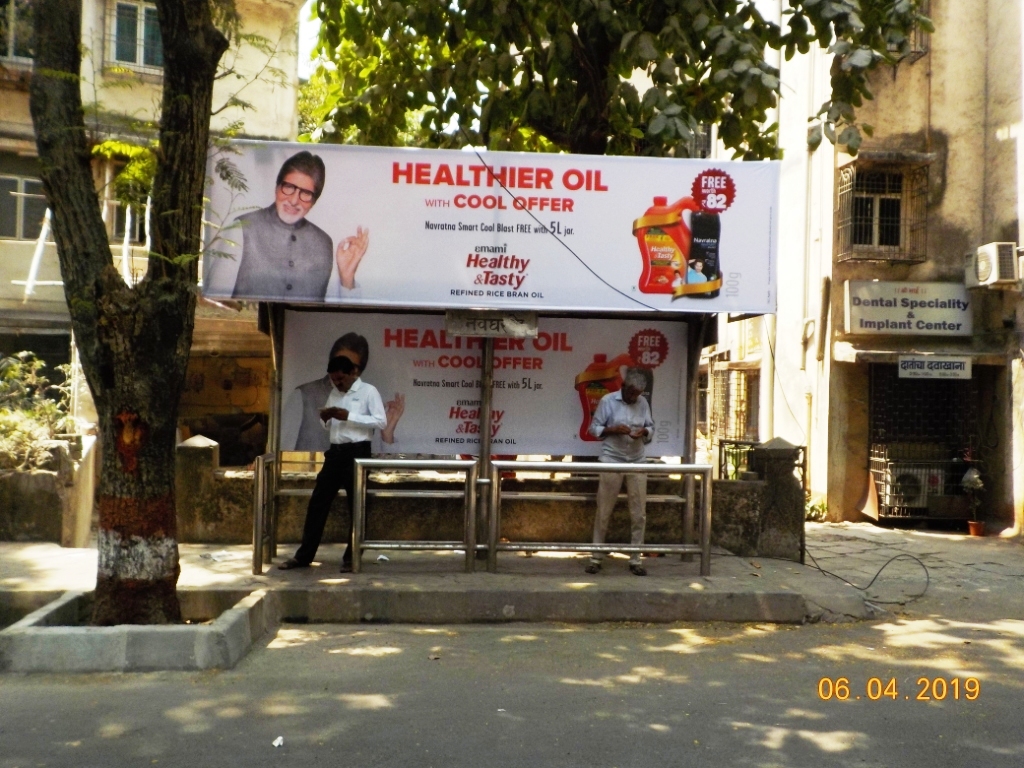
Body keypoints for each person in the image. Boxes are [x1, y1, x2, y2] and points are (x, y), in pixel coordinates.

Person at [279, 333, 386, 573]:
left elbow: (380, 422)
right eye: (333, 380)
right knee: (318, 503)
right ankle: (304, 556)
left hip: (358, 454)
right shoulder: (334, 393)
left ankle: (351, 557)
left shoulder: (369, 392)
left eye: (340, 380)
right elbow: (328, 426)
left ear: (353, 374)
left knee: (357, 507)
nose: (337, 384)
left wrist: (348, 415)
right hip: (335, 452)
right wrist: (326, 418)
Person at [204, 150, 369, 301]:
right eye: (289, 187)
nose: (294, 200)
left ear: (313, 201)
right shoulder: (241, 228)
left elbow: (333, 319)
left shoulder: (324, 243)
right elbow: (214, 304)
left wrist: (347, 277)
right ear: (277, 188)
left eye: (305, 193)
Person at [584, 368, 655, 577]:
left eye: (638, 394)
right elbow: (593, 428)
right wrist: (613, 429)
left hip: (637, 459)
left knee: (639, 512)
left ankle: (635, 558)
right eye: (632, 393)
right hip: (611, 458)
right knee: (604, 510)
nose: (635, 397)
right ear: (623, 387)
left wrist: (644, 432)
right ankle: (596, 557)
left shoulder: (642, 403)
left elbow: (650, 428)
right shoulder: (607, 401)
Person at [283, 335, 405, 452]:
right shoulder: (303, 395)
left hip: (354, 469)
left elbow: (378, 465)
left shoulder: (368, 395)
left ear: (357, 371)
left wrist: (386, 435)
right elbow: (282, 451)